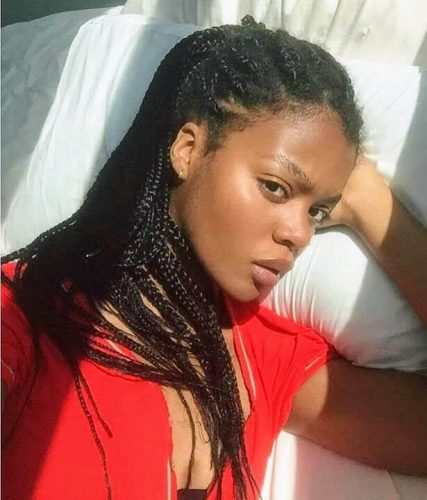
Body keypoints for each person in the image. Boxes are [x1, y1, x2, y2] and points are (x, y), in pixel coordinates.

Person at [1, 16, 426, 500]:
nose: (300, 234)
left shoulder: (259, 360)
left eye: (318, 211)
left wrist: (373, 208)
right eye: (275, 187)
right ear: (188, 149)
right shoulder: (24, 314)